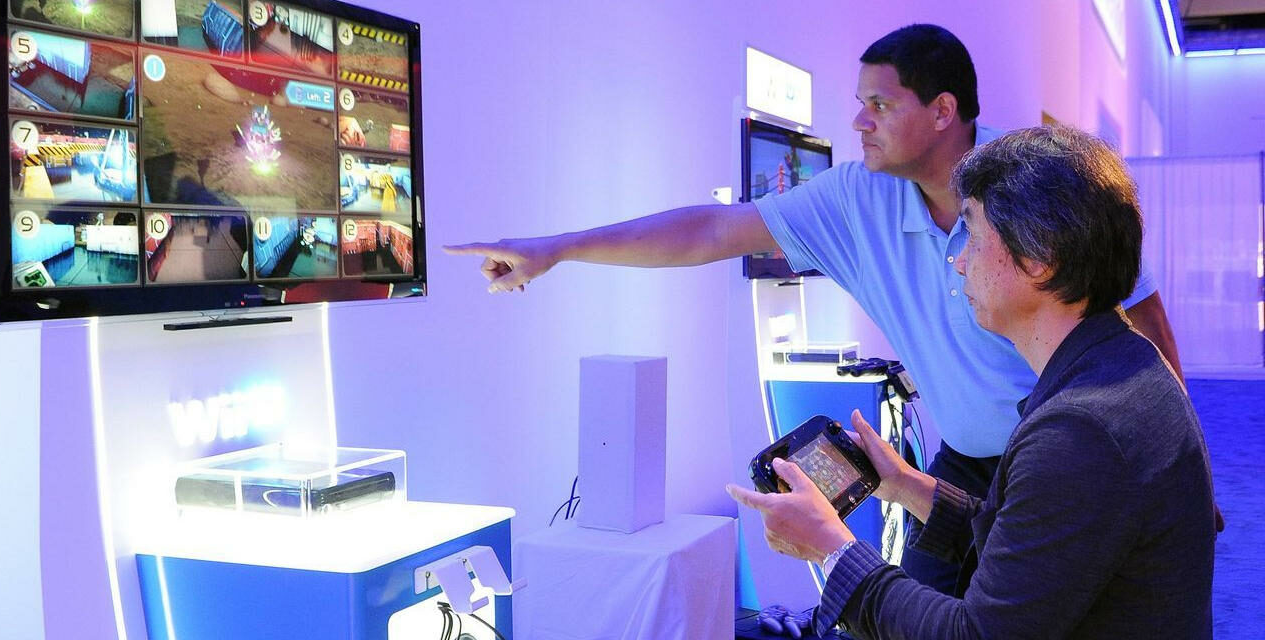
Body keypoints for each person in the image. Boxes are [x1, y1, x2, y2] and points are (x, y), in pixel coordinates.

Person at [444, 24, 1193, 591]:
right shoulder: (856, 197)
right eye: (859, 104)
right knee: (922, 612)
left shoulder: (1034, 180)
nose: (860, 122)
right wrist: (559, 248)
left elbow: (1143, 317)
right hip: (963, 462)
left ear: (942, 111)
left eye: (879, 104)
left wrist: (1179, 462)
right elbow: (712, 230)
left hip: (1065, 453)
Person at [727, 125, 1216, 639]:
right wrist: (906, 485)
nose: (959, 263)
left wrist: (832, 550)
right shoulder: (1120, 362)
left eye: (974, 238)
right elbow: (1031, 553)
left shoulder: (1079, 432)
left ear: (1039, 258)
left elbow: (976, 634)